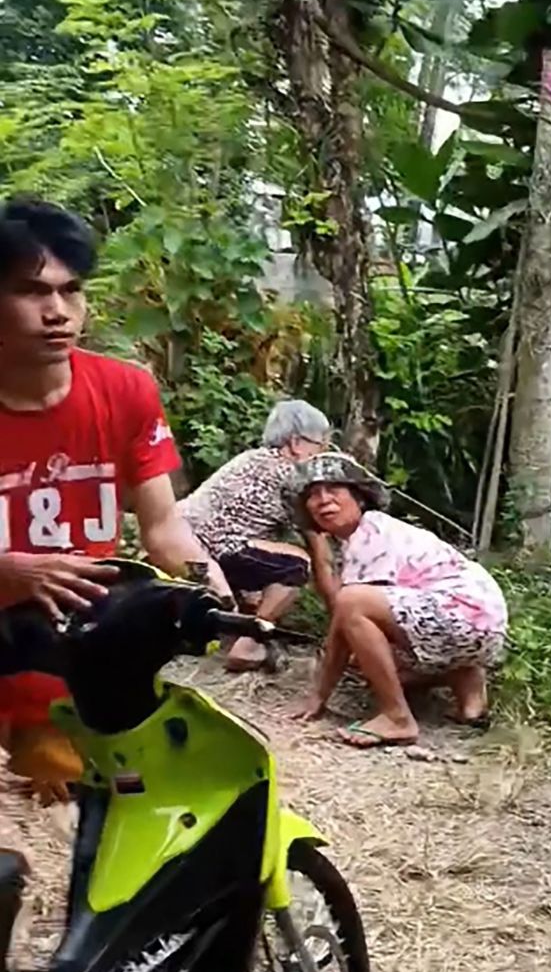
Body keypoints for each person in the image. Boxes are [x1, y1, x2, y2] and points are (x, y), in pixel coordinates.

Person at [0, 196, 230, 793]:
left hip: (77, 635)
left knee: (128, 782)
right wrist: (13, 572)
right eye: (31, 291)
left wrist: (209, 587)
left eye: (71, 291)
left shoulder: (126, 391)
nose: (57, 311)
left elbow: (163, 527)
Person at [290, 453, 508, 748]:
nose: (323, 500)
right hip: (483, 626)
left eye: (334, 489)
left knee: (351, 602)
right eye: (313, 495)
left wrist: (319, 695)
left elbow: (347, 616)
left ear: (359, 498)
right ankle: (469, 694)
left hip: (459, 611)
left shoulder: (370, 532)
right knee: (371, 653)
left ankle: (397, 717)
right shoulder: (371, 533)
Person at [178, 400, 330, 671]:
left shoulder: (252, 458)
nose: (323, 453)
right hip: (214, 548)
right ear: (296, 443)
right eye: (321, 445)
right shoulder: (293, 478)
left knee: (263, 557)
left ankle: (236, 623)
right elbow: (321, 551)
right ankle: (249, 642)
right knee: (297, 563)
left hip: (180, 541)